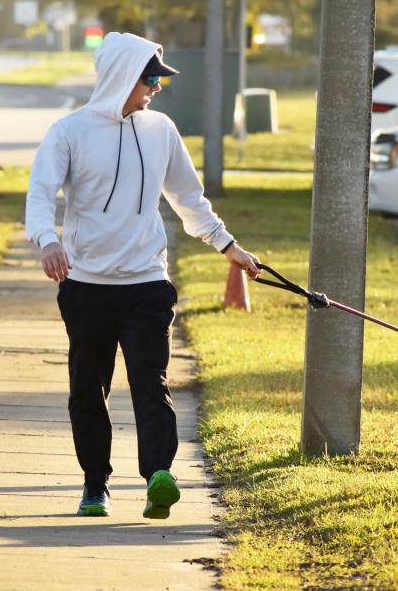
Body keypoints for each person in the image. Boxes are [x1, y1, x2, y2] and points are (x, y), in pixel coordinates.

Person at [25, 32, 260, 519]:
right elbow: (41, 193)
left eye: (159, 80)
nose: (157, 87)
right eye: (150, 78)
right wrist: (47, 241)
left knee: (151, 382)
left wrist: (228, 246)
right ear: (121, 78)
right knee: (88, 389)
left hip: (147, 284)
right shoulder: (68, 132)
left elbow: (188, 199)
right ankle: (95, 484)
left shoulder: (161, 131)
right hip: (86, 286)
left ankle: (159, 476)